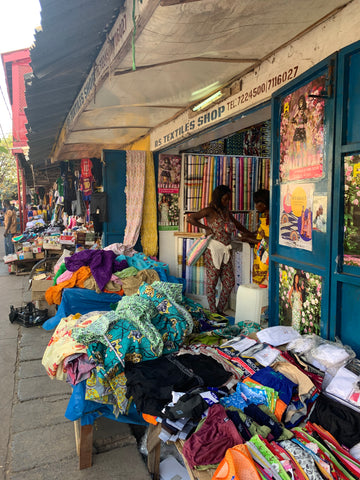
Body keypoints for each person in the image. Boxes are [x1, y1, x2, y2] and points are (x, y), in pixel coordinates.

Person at [187, 185, 252, 315]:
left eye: (228, 199)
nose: (227, 202)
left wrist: (250, 233)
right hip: (213, 251)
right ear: (218, 198)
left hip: (226, 251)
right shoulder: (209, 211)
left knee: (229, 283)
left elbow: (237, 225)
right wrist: (205, 227)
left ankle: (219, 310)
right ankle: (213, 312)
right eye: (225, 199)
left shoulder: (226, 212)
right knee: (212, 282)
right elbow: (190, 218)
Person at [239, 189, 270, 286]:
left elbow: (267, 241)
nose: (256, 206)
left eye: (257, 203)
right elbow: (261, 231)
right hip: (260, 254)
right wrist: (250, 234)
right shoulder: (265, 215)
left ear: (264, 204)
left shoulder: (271, 218)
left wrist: (248, 239)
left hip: (265, 256)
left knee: (263, 285)